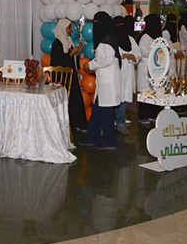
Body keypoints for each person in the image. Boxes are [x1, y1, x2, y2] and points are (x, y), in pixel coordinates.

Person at [81, 12, 121, 150]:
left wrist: (90, 65)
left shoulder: (107, 38)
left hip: (107, 82)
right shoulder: (107, 37)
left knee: (105, 112)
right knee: (98, 111)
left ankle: (109, 142)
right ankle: (93, 138)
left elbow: (107, 60)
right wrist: (92, 64)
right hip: (104, 81)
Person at [50, 19, 86, 132]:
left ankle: (77, 124)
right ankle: (69, 125)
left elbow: (71, 59)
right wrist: (71, 53)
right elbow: (58, 62)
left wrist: (77, 53)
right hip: (62, 79)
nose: (71, 30)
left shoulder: (68, 40)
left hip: (71, 75)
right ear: (62, 29)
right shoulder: (57, 43)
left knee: (76, 100)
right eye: (69, 28)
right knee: (69, 100)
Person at [114, 16, 141, 134]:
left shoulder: (130, 39)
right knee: (116, 97)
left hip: (128, 72)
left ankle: (121, 122)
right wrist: (123, 56)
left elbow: (138, 53)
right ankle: (115, 121)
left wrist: (131, 56)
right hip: (117, 72)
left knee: (123, 98)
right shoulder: (112, 39)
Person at [137, 13, 162, 124]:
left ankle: (153, 114)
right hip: (145, 67)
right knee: (145, 92)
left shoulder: (157, 37)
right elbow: (143, 51)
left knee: (154, 91)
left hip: (155, 68)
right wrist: (155, 52)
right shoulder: (145, 37)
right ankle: (143, 116)